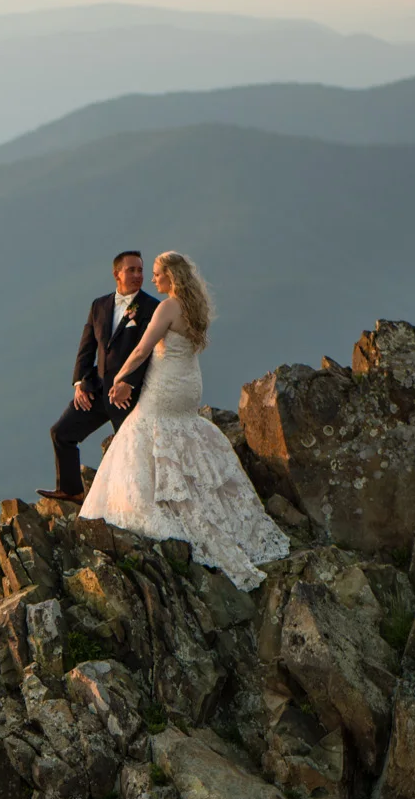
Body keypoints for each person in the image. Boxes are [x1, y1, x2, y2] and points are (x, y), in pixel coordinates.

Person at [77, 251, 290, 591]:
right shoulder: (195, 306)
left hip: (165, 386)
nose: (153, 279)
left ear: (172, 276)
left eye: (158, 273)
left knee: (143, 428)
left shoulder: (168, 307)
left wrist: (120, 378)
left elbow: (143, 348)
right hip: (189, 384)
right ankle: (191, 492)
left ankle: (158, 502)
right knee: (182, 430)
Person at [40, 250, 158, 503]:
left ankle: (138, 501)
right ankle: (71, 491)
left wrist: (129, 383)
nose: (138, 275)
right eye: (131, 270)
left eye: (140, 270)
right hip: (96, 388)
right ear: (117, 274)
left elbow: (148, 353)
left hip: (128, 395)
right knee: (61, 433)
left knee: (132, 450)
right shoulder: (99, 305)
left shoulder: (152, 308)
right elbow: (86, 348)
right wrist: (80, 383)